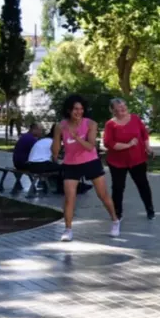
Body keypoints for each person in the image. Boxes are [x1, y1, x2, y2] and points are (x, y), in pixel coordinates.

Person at [52, 95, 120, 241]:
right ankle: (68, 229)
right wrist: (55, 150)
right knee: (69, 198)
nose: (79, 112)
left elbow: (90, 147)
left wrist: (77, 138)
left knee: (102, 195)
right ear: (69, 110)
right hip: (71, 164)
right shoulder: (60, 126)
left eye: (81, 109)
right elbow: (56, 148)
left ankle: (115, 220)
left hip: (90, 162)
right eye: (75, 109)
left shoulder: (90, 124)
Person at [103, 98, 155, 221]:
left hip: (137, 160)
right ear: (113, 110)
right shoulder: (110, 124)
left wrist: (148, 147)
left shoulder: (135, 118)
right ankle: (117, 213)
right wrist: (128, 145)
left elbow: (144, 134)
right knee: (118, 187)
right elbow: (109, 143)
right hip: (117, 162)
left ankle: (150, 209)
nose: (123, 108)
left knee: (143, 185)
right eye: (119, 107)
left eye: (124, 105)